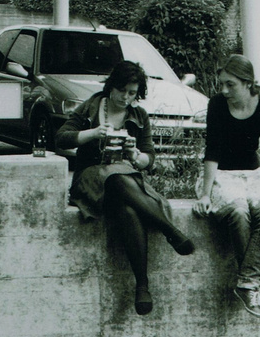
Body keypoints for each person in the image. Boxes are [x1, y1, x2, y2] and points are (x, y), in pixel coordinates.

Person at [55, 59, 195, 315]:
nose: (126, 98)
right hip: (91, 179)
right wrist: (93, 133)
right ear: (112, 86)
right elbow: (61, 137)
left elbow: (149, 159)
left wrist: (134, 154)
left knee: (127, 209)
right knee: (116, 179)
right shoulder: (91, 106)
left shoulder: (138, 115)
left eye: (133, 94)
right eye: (122, 91)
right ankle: (170, 229)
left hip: (126, 181)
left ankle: (142, 286)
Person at [193, 54, 260, 319]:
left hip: (253, 176)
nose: (224, 90)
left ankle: (247, 283)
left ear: (248, 82)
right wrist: (205, 193)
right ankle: (253, 284)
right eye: (221, 84)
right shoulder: (216, 104)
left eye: (230, 84)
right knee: (237, 210)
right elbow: (212, 148)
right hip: (222, 176)